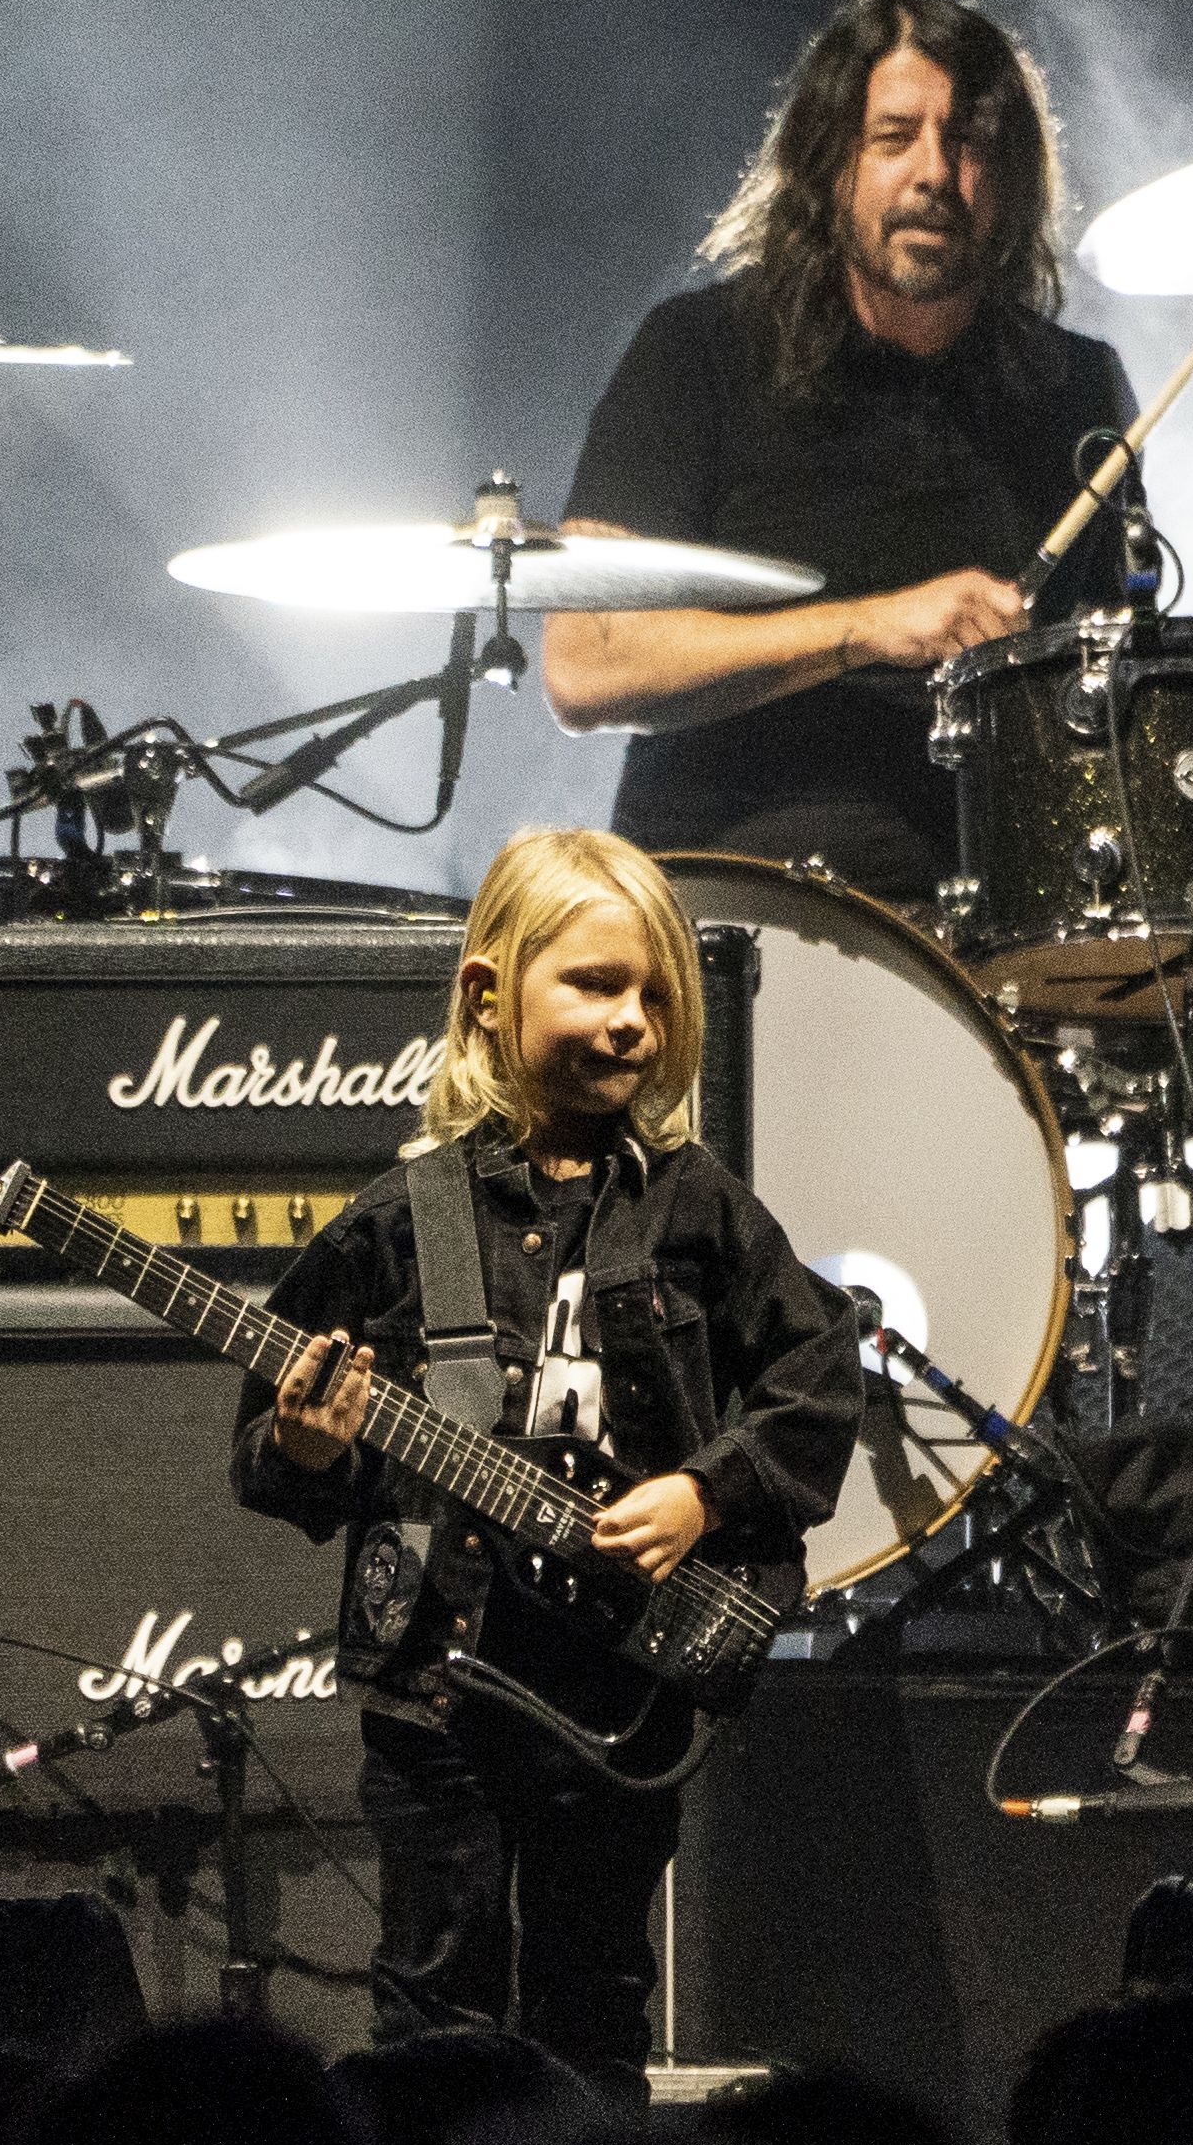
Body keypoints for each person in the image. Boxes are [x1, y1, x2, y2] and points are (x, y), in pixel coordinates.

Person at [231, 827, 861, 2078]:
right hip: (438, 1684)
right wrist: (306, 1447)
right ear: (486, 991)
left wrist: (699, 1490)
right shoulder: (398, 1223)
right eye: (594, 984)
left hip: (615, 1688)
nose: (631, 1020)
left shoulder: (701, 1206)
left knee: (593, 1998)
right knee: (432, 2003)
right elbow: (268, 1448)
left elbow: (818, 1376)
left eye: (652, 993)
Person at [539, 0, 1139, 900]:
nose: (935, 170)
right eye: (894, 137)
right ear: (828, 168)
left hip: (991, 938)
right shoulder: (700, 352)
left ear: (1011, 178)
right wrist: (868, 629)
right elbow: (586, 661)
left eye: (968, 140)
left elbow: (1115, 711)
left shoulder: (1077, 390)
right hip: (723, 913)